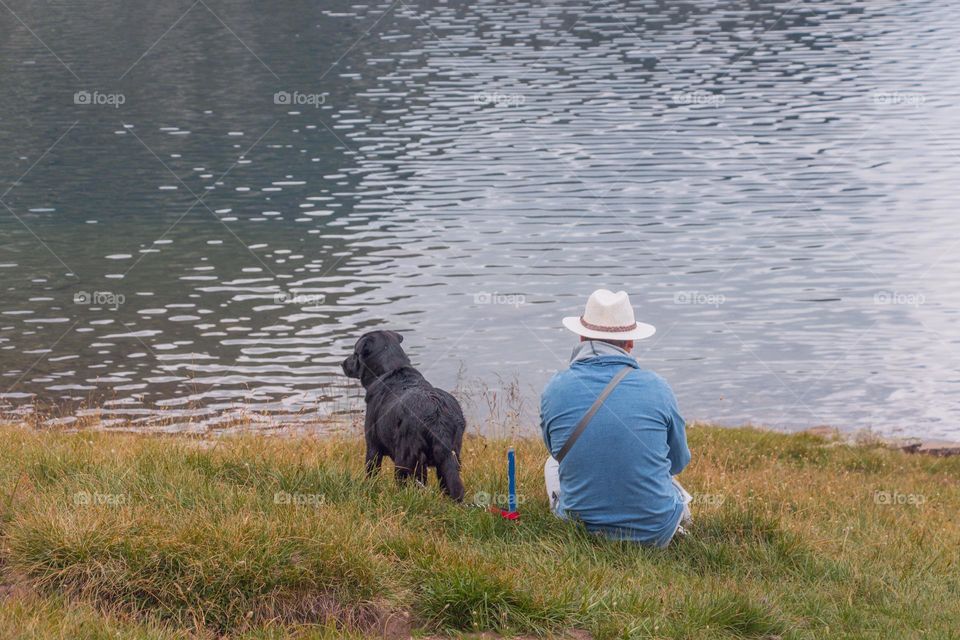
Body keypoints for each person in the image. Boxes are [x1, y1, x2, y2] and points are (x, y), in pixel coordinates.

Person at [540, 289, 692, 547]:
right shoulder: (658, 387)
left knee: (551, 465)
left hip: (581, 530)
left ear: (580, 336)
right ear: (630, 343)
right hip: (656, 534)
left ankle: (586, 515)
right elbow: (677, 463)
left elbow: (556, 452)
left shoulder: (554, 388)